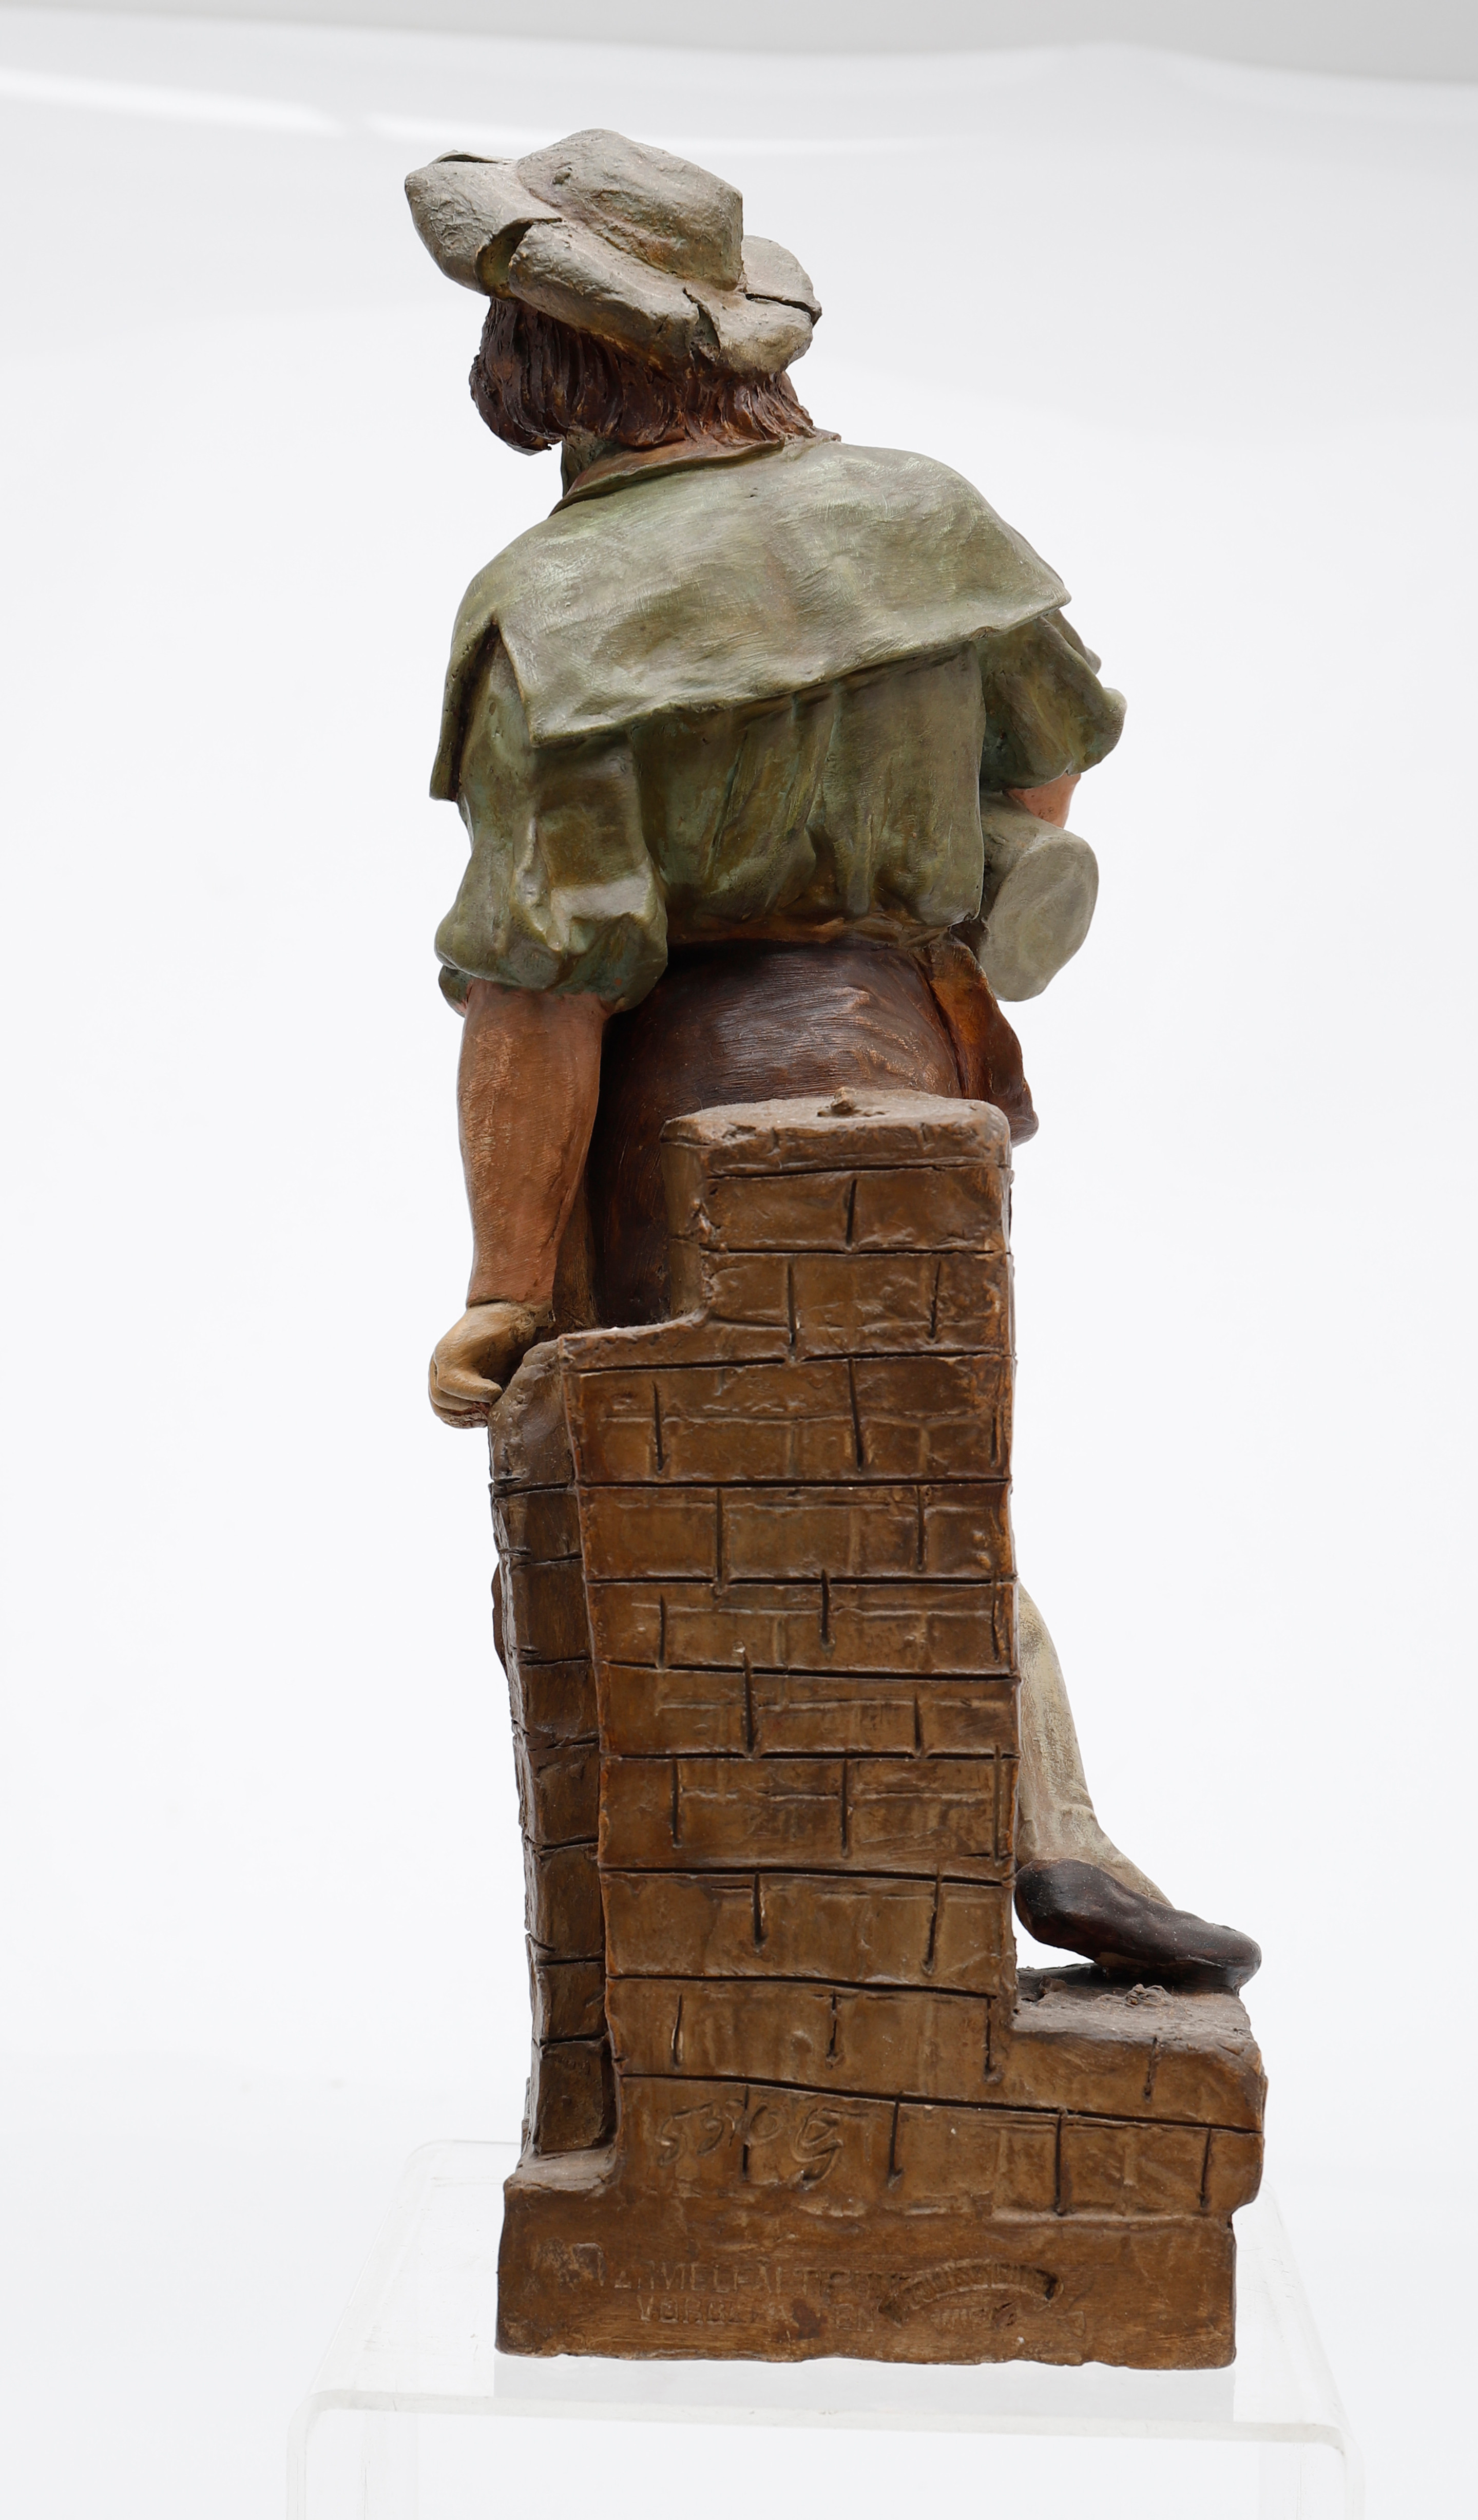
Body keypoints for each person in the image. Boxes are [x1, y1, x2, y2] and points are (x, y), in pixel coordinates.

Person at [407, 129, 1258, 1986]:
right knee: (936, 1481)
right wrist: (940, 891)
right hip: (919, 1067)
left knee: (684, 1513)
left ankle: (759, 1938)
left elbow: (542, 982)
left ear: (546, 359)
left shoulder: (548, 610)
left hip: (680, 1109)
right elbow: (1051, 750)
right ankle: (1048, 1828)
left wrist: (501, 1281)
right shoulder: (927, 517)